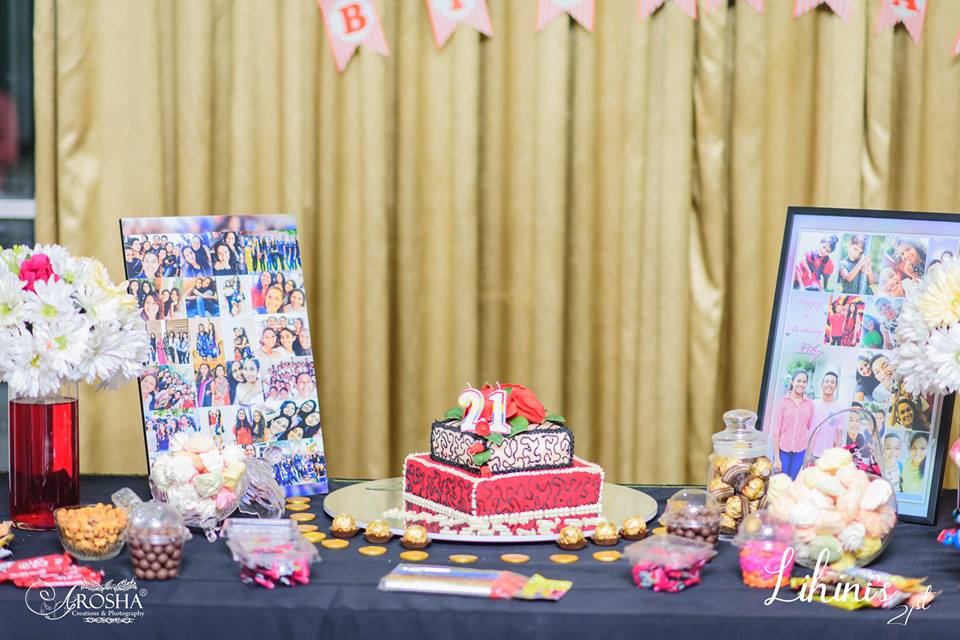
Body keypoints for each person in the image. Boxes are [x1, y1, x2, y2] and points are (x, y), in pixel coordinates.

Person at [770, 369, 815, 479]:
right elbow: (776, 431)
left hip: (800, 451)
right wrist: (777, 458)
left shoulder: (810, 404)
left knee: (792, 481)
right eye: (798, 381)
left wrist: (809, 454)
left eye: (804, 382)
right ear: (792, 382)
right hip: (783, 450)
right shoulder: (783, 402)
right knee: (781, 481)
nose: (801, 384)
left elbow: (811, 430)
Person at [809, 371, 843, 457]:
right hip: (809, 454)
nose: (829, 384)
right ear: (821, 385)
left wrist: (836, 456)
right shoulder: (812, 404)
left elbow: (839, 435)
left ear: (836, 387)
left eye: (832, 382)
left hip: (828, 456)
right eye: (826, 381)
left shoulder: (839, 408)